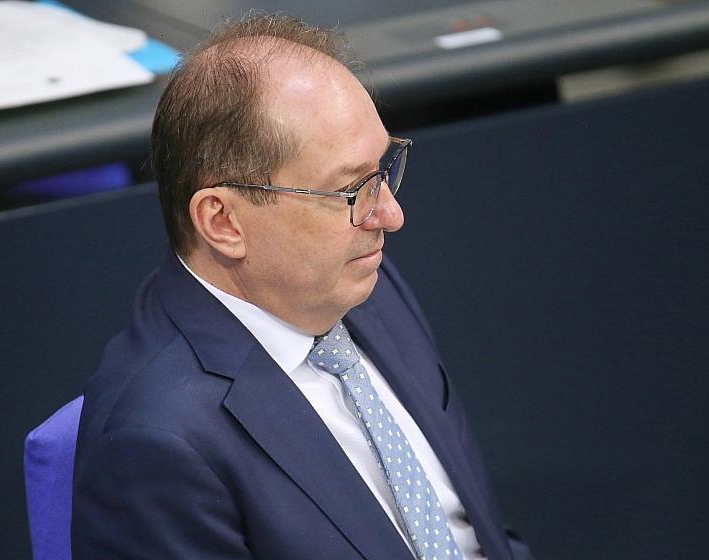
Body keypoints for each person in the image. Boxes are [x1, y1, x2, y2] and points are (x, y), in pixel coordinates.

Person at [72, 13, 534, 560]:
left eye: (382, 169)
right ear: (223, 222)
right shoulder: (158, 444)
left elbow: (476, 533)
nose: (390, 215)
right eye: (351, 189)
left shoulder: (362, 285)